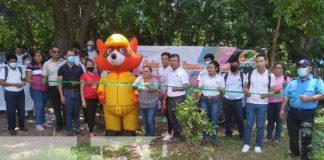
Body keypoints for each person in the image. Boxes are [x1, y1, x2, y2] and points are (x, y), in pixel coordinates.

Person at [279, 59, 324, 160]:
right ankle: (294, 152)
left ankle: (305, 155)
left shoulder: (317, 80)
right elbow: (286, 96)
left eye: (303, 67)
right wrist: (282, 109)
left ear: (310, 68)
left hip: (307, 113)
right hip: (292, 112)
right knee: (292, 134)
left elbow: (322, 95)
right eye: (299, 67)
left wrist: (310, 98)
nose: (300, 69)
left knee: (306, 135)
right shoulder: (293, 81)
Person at [242, 53, 275, 153]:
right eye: (257, 61)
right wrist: (246, 91)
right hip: (250, 103)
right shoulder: (250, 73)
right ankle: (246, 144)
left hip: (263, 104)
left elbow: (272, 91)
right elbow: (245, 87)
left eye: (261, 61)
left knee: (260, 125)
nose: (259, 63)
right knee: (248, 125)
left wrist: (266, 94)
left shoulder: (270, 75)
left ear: (265, 62)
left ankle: (258, 145)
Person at [195, 61, 224, 146]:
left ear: (216, 69)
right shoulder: (203, 77)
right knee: (204, 119)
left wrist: (221, 90)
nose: (209, 69)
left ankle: (214, 139)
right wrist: (196, 95)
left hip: (216, 101)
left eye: (211, 67)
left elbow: (223, 92)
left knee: (214, 120)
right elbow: (199, 88)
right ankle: (204, 139)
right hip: (204, 100)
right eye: (208, 67)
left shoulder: (220, 78)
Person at [162, 54, 189, 141]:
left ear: (178, 62)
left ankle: (182, 138)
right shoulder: (170, 73)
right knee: (172, 119)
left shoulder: (183, 72)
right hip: (170, 99)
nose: (172, 62)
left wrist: (176, 89)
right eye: (171, 61)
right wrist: (164, 100)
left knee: (180, 119)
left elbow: (186, 86)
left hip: (179, 99)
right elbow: (168, 87)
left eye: (174, 61)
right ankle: (176, 136)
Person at [0, 54, 28, 135]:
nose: (14, 63)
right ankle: (11, 128)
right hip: (10, 93)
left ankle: (22, 126)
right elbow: (1, 82)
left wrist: (22, 83)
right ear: (8, 62)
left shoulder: (19, 69)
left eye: (15, 61)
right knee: (11, 111)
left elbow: (24, 79)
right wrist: (15, 84)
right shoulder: (4, 69)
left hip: (20, 92)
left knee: (22, 110)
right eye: (11, 61)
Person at [58, 49, 84, 136]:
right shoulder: (61, 68)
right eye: (69, 55)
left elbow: (83, 82)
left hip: (77, 92)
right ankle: (69, 130)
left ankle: (77, 128)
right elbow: (59, 83)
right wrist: (61, 96)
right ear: (65, 56)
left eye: (73, 55)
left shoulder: (79, 68)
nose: (71, 57)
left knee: (76, 111)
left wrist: (77, 83)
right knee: (68, 112)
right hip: (67, 92)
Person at [264, 63, 290, 143]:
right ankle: (268, 137)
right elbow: (265, 89)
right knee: (270, 120)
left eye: (280, 68)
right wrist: (276, 91)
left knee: (279, 120)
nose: (277, 69)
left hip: (281, 102)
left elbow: (287, 92)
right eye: (276, 67)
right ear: (273, 69)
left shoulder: (286, 78)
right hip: (269, 102)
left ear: (283, 69)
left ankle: (277, 138)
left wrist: (274, 91)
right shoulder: (269, 77)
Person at [42, 46, 66, 131]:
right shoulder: (46, 64)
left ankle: (66, 123)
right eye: (54, 51)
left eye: (58, 52)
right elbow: (44, 77)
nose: (56, 53)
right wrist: (42, 83)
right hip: (52, 88)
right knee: (56, 107)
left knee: (65, 106)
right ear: (51, 52)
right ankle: (59, 124)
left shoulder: (65, 62)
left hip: (64, 88)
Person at [26, 50, 51, 131]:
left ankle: (43, 121)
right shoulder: (30, 65)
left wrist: (45, 79)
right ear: (33, 57)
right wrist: (36, 81)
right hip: (35, 89)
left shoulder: (45, 65)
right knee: (39, 105)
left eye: (40, 55)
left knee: (43, 106)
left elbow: (48, 75)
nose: (38, 57)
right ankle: (38, 124)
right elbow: (28, 79)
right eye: (36, 56)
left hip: (46, 89)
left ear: (42, 56)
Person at [223, 58, 245, 139]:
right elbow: (222, 87)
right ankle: (228, 133)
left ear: (238, 65)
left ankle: (242, 134)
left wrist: (244, 100)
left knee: (239, 118)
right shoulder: (225, 75)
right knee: (227, 118)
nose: (233, 65)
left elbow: (245, 87)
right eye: (232, 64)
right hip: (226, 100)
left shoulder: (243, 75)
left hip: (238, 101)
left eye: (235, 64)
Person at [133, 66, 159, 136]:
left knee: (150, 121)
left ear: (150, 72)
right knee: (145, 121)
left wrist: (148, 85)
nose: (145, 73)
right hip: (142, 104)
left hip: (152, 104)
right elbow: (133, 87)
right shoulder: (139, 78)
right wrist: (135, 85)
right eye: (144, 71)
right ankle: (147, 134)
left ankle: (151, 135)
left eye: (147, 71)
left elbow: (153, 89)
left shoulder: (154, 80)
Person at [80, 59, 100, 137]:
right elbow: (81, 88)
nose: (90, 66)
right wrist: (83, 100)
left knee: (93, 114)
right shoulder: (84, 75)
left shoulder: (97, 75)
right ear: (85, 66)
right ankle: (91, 131)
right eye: (88, 65)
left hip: (95, 98)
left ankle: (92, 130)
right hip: (87, 98)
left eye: (91, 65)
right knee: (90, 115)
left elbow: (99, 86)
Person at [158, 52, 173, 140]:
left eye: (166, 59)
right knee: (165, 114)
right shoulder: (160, 69)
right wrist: (160, 93)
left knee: (169, 114)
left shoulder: (171, 70)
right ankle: (168, 131)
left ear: (169, 60)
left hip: (168, 96)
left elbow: (169, 85)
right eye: (162, 58)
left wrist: (165, 96)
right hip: (161, 95)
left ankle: (171, 133)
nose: (164, 60)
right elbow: (160, 82)